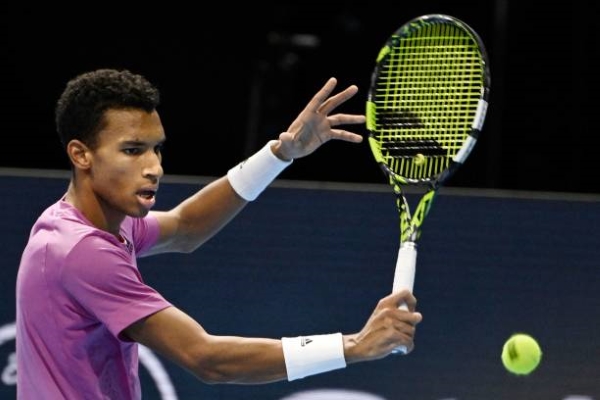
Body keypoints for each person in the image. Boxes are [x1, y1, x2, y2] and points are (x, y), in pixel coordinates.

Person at [15, 68, 423, 399]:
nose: (154, 166)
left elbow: (186, 227)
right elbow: (207, 358)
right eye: (132, 150)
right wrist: (354, 346)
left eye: (157, 149)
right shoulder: (83, 251)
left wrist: (280, 154)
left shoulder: (82, 224)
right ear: (80, 154)